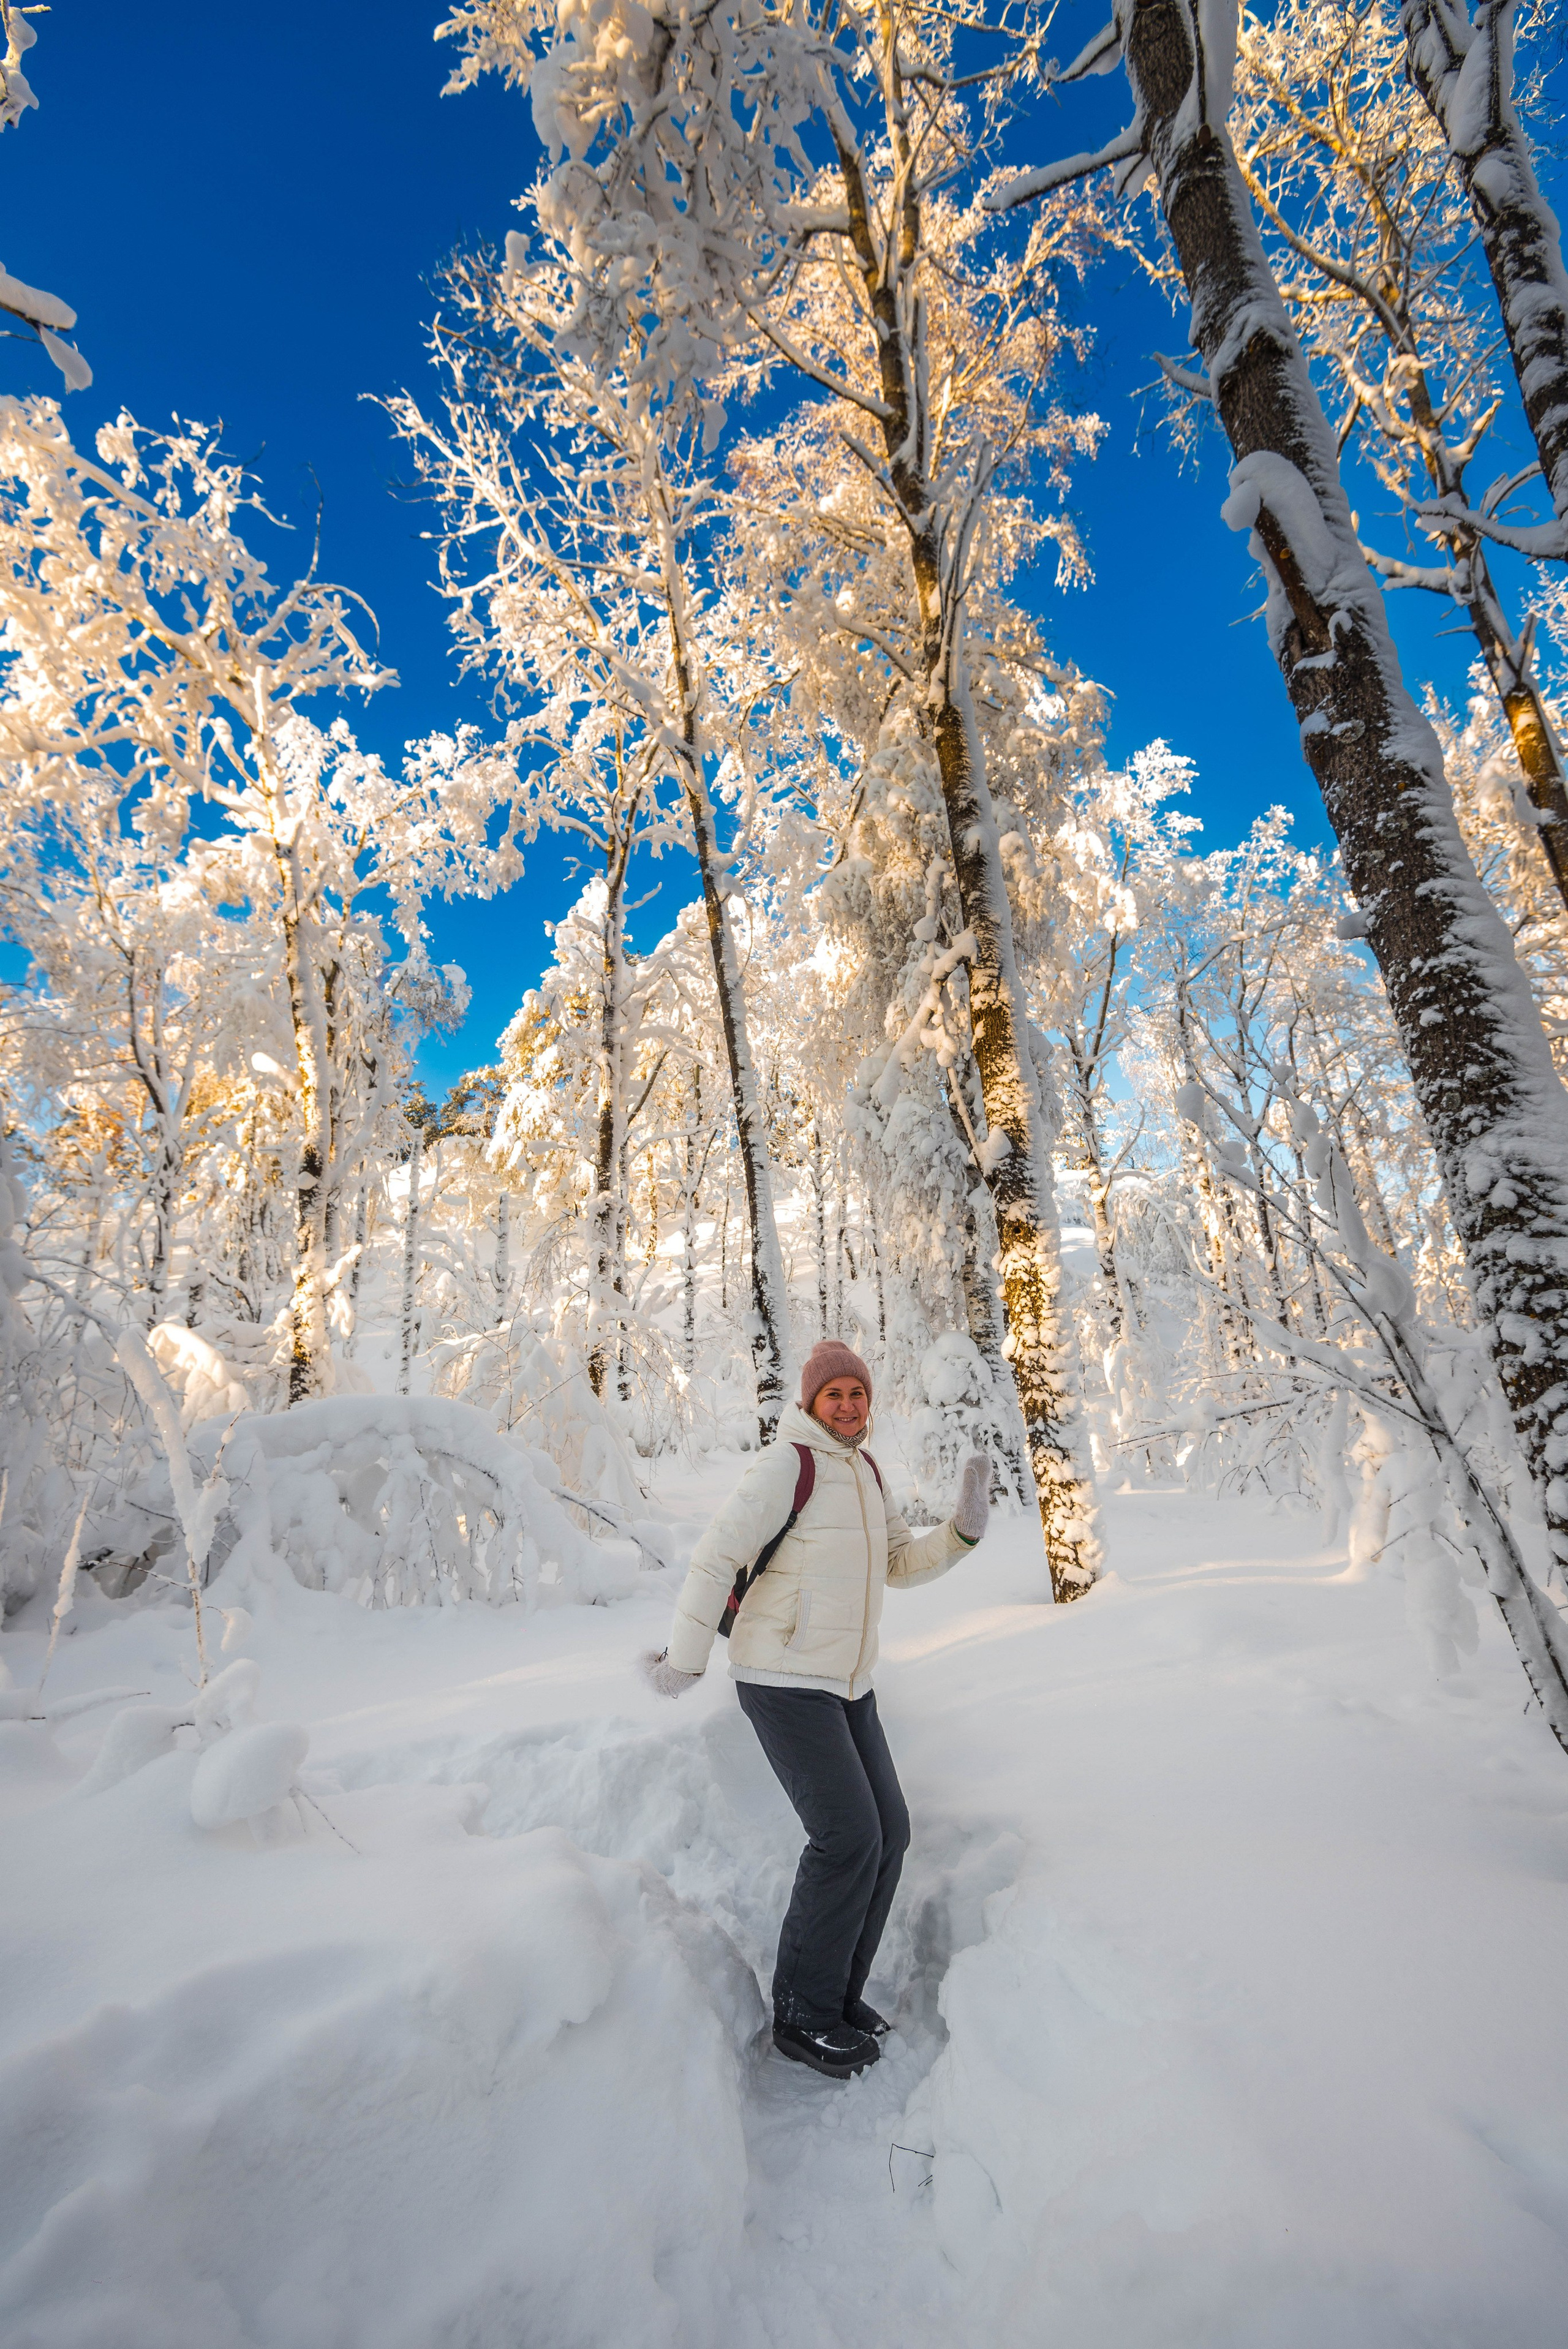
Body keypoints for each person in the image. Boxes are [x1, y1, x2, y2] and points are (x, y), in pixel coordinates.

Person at [643, 1340, 992, 2080]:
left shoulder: (863, 1470)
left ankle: (838, 1995)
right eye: (832, 1394)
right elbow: (715, 1556)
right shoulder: (786, 1466)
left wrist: (961, 1533)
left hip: (845, 1682)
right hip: (780, 1677)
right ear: (808, 1404)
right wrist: (685, 1659)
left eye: (856, 1393)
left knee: (888, 1834)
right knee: (845, 1836)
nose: (846, 1404)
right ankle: (802, 2016)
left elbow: (896, 1564)